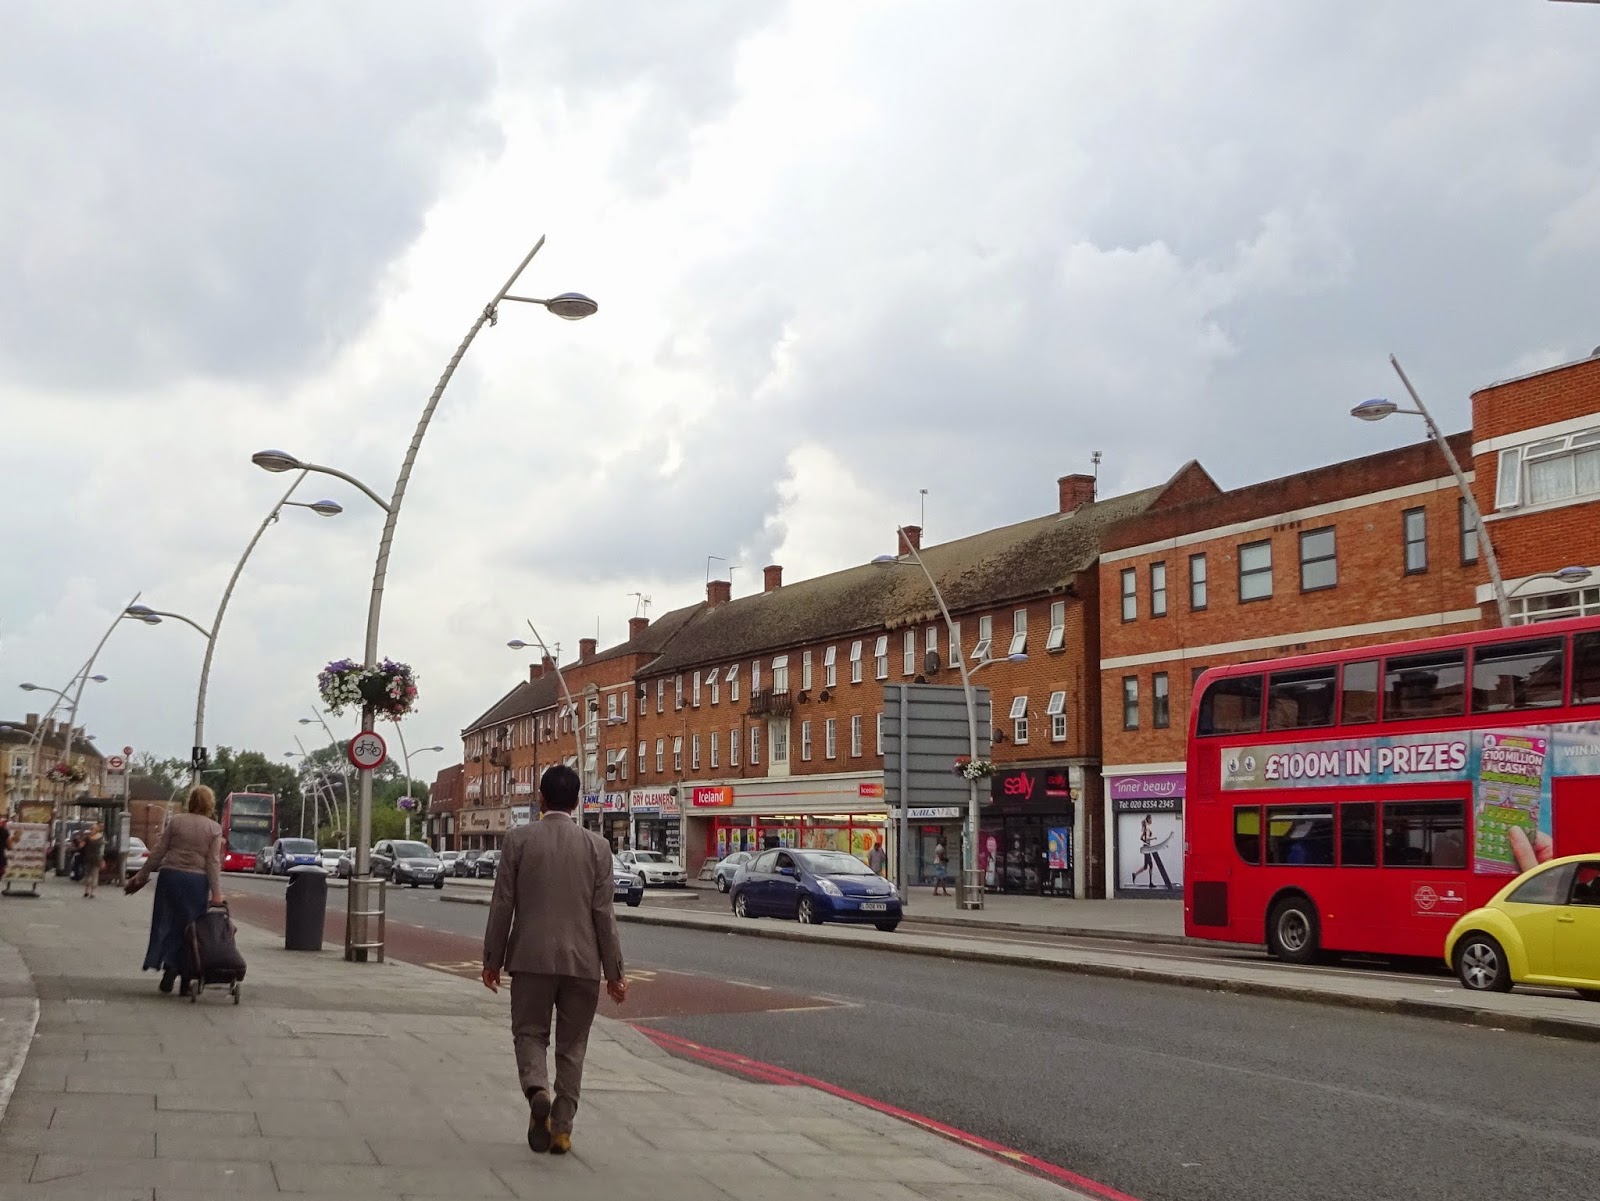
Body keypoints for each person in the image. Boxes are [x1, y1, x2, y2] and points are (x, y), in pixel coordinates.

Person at [483, 765, 627, 1157]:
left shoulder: (518, 840)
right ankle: (562, 1130)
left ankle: (536, 1090)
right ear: (577, 801)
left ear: (541, 799)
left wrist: (492, 958)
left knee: (529, 1032)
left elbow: (503, 906)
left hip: (530, 958)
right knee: (573, 1046)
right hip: (583, 963)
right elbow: (604, 915)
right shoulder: (598, 848)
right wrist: (614, 973)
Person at [125, 786, 225, 996]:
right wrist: (216, 893)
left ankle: (168, 968)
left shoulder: (177, 821)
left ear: (191, 801)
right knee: (191, 929)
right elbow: (213, 862)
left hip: (170, 878)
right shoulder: (214, 828)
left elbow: (159, 850)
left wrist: (141, 877)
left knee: (167, 923)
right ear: (210, 803)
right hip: (196, 882)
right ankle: (185, 980)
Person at [80, 823, 105, 898]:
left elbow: (81, 846)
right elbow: (102, 849)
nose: (92, 830)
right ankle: (91, 892)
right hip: (95, 858)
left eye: (93, 829)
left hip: (90, 858)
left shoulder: (87, 837)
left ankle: (88, 891)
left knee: (90, 875)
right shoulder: (101, 838)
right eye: (92, 829)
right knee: (94, 875)